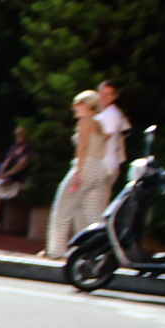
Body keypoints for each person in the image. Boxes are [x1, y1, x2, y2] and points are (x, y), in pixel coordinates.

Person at [45, 91, 115, 259]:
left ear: (87, 105)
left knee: (61, 209)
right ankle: (100, 251)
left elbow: (82, 148)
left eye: (78, 104)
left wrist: (78, 171)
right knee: (93, 215)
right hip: (98, 169)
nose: (74, 107)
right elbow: (103, 149)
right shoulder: (99, 123)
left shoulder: (85, 122)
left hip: (85, 167)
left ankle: (56, 251)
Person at [96, 79, 129, 175]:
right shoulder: (100, 114)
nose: (104, 97)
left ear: (114, 96)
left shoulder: (111, 114)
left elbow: (101, 139)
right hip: (100, 166)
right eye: (102, 93)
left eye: (108, 94)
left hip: (105, 166)